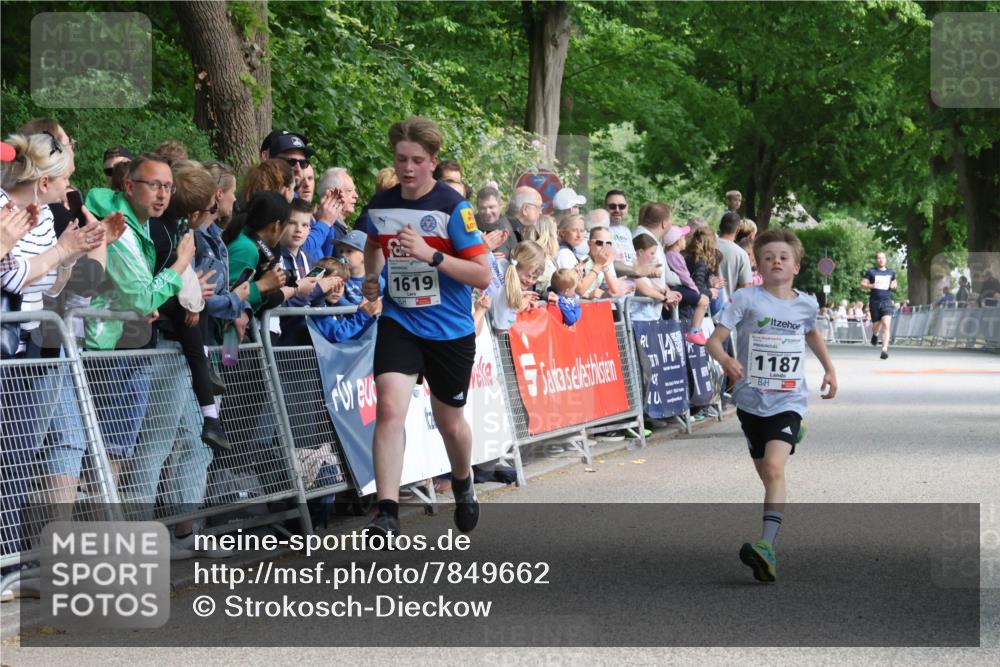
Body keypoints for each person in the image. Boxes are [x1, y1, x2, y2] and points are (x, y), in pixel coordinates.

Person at [361, 117, 490, 537]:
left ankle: (463, 482)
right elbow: (372, 241)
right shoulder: (381, 204)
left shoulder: (453, 207)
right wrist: (370, 278)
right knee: (389, 406)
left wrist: (430, 255)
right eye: (401, 159)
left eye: (417, 160)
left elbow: (482, 275)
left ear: (433, 161)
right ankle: (387, 512)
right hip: (401, 320)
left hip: (450, 330)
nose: (408, 168)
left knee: (450, 423)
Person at [706, 228, 837, 583]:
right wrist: (726, 360)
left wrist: (829, 369)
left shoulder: (806, 303)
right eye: (768, 257)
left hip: (789, 399)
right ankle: (793, 435)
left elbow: (811, 332)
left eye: (783, 257)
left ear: (796, 265)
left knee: (776, 469)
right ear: (759, 265)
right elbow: (713, 341)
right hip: (750, 401)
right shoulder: (746, 300)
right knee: (767, 474)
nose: (776, 261)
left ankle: (766, 547)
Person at [663, 225, 711, 345]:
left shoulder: (673, 254)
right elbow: (684, 276)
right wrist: (695, 290)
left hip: (679, 288)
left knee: (703, 300)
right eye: (684, 238)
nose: (686, 241)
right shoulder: (673, 255)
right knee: (703, 301)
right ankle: (694, 331)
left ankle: (696, 330)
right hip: (678, 288)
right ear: (678, 241)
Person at [488, 240, 547, 331]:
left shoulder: (500, 262)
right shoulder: (510, 294)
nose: (530, 281)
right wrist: (517, 307)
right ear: (518, 266)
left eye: (535, 278)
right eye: (528, 276)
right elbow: (499, 329)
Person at [315, 167, 359, 257]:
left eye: (354, 191)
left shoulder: (336, 228)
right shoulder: (328, 229)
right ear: (331, 194)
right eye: (349, 191)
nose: (356, 196)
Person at [861, 251, 897, 359]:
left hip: (886, 301)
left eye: (883, 258)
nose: (881, 260)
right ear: (876, 260)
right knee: (876, 325)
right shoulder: (871, 272)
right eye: (879, 258)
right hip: (874, 302)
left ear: (886, 259)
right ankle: (875, 334)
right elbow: (862, 284)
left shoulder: (891, 272)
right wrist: (871, 285)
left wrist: (894, 285)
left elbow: (895, 282)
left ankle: (884, 349)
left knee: (886, 324)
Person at [577, 226, 626, 299]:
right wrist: (588, 294)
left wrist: (605, 266)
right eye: (599, 243)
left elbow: (615, 290)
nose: (604, 247)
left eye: (608, 243)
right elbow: (577, 290)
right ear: (589, 243)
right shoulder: (583, 260)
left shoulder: (606, 262)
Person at [495, 186, 542, 259]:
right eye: (538, 207)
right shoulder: (503, 230)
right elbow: (501, 264)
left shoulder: (515, 227)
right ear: (525, 209)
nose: (540, 212)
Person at [717, 211, 753, 303]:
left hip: (703, 308)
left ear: (720, 226)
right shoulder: (741, 254)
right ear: (737, 230)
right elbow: (745, 286)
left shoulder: (706, 247)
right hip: (728, 308)